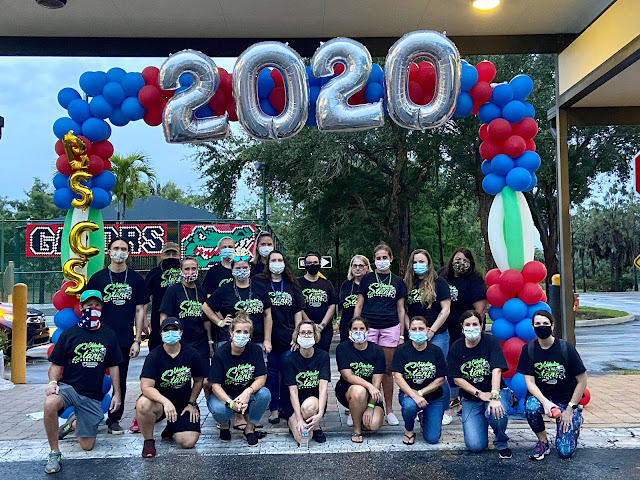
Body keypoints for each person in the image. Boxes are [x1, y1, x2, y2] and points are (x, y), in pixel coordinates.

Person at [44, 290, 123, 474]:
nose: (93, 309)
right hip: (69, 388)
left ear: (101, 308)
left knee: (87, 446)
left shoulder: (108, 335)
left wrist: (117, 394)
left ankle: (73, 423)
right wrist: (52, 382)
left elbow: (114, 367)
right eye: (89, 306)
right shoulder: (70, 334)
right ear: (81, 308)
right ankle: (54, 452)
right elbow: (56, 363)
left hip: (92, 395)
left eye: (96, 305)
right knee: (50, 404)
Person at [87, 237, 149, 435]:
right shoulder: (97, 279)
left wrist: (137, 340)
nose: (119, 252)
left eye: (123, 249)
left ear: (129, 253)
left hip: (123, 339)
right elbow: (90, 307)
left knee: (119, 380)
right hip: (98, 337)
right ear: (109, 251)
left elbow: (141, 310)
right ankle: (90, 415)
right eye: (116, 248)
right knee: (93, 378)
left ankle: (114, 419)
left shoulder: (136, 280)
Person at [517, 310, 588, 460]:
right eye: (537, 324)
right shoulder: (528, 349)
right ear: (533, 326)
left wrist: (571, 408)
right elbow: (529, 382)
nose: (541, 326)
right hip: (544, 398)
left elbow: (582, 380)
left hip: (566, 401)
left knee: (565, 452)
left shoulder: (566, 348)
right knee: (530, 407)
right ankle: (543, 441)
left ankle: (575, 419)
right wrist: (545, 403)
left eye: (545, 323)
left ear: (552, 325)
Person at [136, 317, 208, 458]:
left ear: (181, 332)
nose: (170, 333)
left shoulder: (192, 354)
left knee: (188, 442)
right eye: (166, 330)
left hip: (183, 404)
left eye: (174, 329)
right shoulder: (154, 356)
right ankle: (149, 442)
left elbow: (199, 380)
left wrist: (192, 403)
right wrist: (165, 402)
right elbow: (146, 387)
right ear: (161, 334)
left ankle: (171, 427)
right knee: (143, 404)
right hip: (160, 404)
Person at [353, 242, 407, 426]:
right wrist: (355, 326)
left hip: (390, 327)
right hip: (369, 327)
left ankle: (389, 410)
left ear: (391, 259)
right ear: (374, 260)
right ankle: (362, 406)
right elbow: (359, 304)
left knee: (386, 370)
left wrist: (401, 334)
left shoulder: (398, 281)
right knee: (365, 368)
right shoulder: (367, 279)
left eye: (385, 258)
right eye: (378, 258)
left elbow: (401, 309)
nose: (381, 261)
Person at [447, 310, 513, 458]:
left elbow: (497, 369)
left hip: (495, 391)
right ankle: (482, 421)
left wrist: (494, 396)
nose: (471, 327)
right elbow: (457, 378)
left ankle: (501, 442)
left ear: (481, 326)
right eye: (468, 325)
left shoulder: (491, 342)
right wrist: (479, 394)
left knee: (496, 411)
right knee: (475, 446)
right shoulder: (456, 347)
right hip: (471, 398)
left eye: (475, 324)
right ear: (462, 327)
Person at [404, 248, 454, 425]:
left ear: (429, 263)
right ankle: (421, 406)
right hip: (415, 334)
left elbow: (445, 310)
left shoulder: (439, 283)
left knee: (438, 371)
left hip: (437, 333)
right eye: (415, 262)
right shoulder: (408, 284)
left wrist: (431, 331)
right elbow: (403, 310)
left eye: (422, 261)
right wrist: (410, 330)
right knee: (419, 369)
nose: (419, 265)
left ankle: (445, 408)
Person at [207, 312, 271, 447]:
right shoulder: (220, 353)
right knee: (220, 409)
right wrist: (230, 403)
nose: (242, 335)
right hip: (225, 395)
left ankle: (249, 428)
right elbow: (215, 385)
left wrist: (247, 392)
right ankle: (224, 425)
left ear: (250, 335)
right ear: (231, 332)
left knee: (264, 394)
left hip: (246, 393)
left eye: (246, 332)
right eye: (238, 331)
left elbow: (261, 378)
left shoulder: (255, 350)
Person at [255, 250, 305, 424]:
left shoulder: (292, 285)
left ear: (285, 263)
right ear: (267, 264)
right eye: (273, 260)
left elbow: (298, 312)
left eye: (280, 260)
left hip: (288, 339)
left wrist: (297, 335)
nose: (277, 263)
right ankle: (274, 409)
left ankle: (286, 407)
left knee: (287, 375)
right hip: (266, 338)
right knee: (270, 375)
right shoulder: (260, 283)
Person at [441, 248, 487, 413]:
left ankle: (467, 398)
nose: (460, 263)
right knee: (449, 363)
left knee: (466, 364)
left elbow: (480, 309)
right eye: (457, 259)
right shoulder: (443, 276)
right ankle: (452, 400)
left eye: (464, 260)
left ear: (470, 263)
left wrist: (472, 330)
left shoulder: (475, 282)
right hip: (446, 329)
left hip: (467, 331)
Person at [203, 248, 273, 356]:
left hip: (256, 340)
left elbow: (267, 315)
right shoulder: (225, 289)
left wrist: (267, 340)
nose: (242, 270)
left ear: (250, 267)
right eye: (238, 268)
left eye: (245, 267)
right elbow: (206, 306)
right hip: (229, 341)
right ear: (232, 269)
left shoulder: (260, 288)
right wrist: (219, 322)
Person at [391, 316, 447, 445]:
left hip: (434, 398)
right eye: (414, 329)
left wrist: (420, 393)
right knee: (409, 406)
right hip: (409, 395)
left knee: (432, 439)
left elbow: (440, 379)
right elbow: (397, 376)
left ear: (427, 330)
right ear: (409, 331)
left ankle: (424, 418)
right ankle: (409, 430)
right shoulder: (401, 350)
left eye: (421, 329)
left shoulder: (436, 351)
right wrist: (413, 395)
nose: (417, 331)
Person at [335, 317, 385, 443]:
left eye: (361, 328)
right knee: (359, 390)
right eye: (355, 329)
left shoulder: (377, 350)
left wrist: (370, 406)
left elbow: (377, 383)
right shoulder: (343, 348)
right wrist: (369, 386)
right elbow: (348, 376)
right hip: (349, 390)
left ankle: (358, 414)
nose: (358, 331)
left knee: (373, 425)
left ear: (367, 331)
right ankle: (357, 430)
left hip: (372, 394)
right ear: (350, 331)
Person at [282, 320, 331, 445]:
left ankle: (316, 424)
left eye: (309, 333)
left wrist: (320, 414)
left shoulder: (323, 357)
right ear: (297, 336)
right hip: (294, 401)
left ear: (315, 335)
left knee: (309, 408)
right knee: (304, 440)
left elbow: (323, 389)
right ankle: (294, 422)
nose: (306, 335)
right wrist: (298, 419)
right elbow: (292, 393)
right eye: (302, 333)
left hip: (313, 400)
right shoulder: (289, 360)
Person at [159, 257, 208, 360]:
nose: (190, 272)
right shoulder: (173, 290)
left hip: (200, 341)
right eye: (187, 269)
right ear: (181, 271)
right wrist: (166, 337)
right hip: (180, 341)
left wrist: (210, 341)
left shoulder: (202, 291)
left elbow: (206, 319)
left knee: (203, 374)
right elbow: (164, 316)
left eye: (193, 268)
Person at [298, 251, 338, 353]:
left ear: (320, 263)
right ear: (305, 264)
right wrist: (310, 324)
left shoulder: (327, 283)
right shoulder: (298, 283)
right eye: (309, 262)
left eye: (315, 262)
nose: (312, 265)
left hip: (325, 330)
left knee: (322, 357)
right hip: (305, 330)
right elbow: (298, 306)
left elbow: (332, 305)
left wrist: (322, 325)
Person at [144, 241, 182, 351]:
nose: (171, 257)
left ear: (179, 255)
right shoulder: (154, 273)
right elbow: (145, 298)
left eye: (174, 254)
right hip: (157, 318)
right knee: (157, 347)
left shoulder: (185, 271)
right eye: (167, 254)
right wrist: (143, 321)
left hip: (182, 317)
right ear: (162, 255)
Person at [338, 255, 371, 343]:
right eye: (355, 265)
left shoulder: (371, 285)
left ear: (367, 268)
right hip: (346, 324)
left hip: (366, 324)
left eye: (361, 266)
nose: (357, 268)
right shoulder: (346, 285)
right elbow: (341, 305)